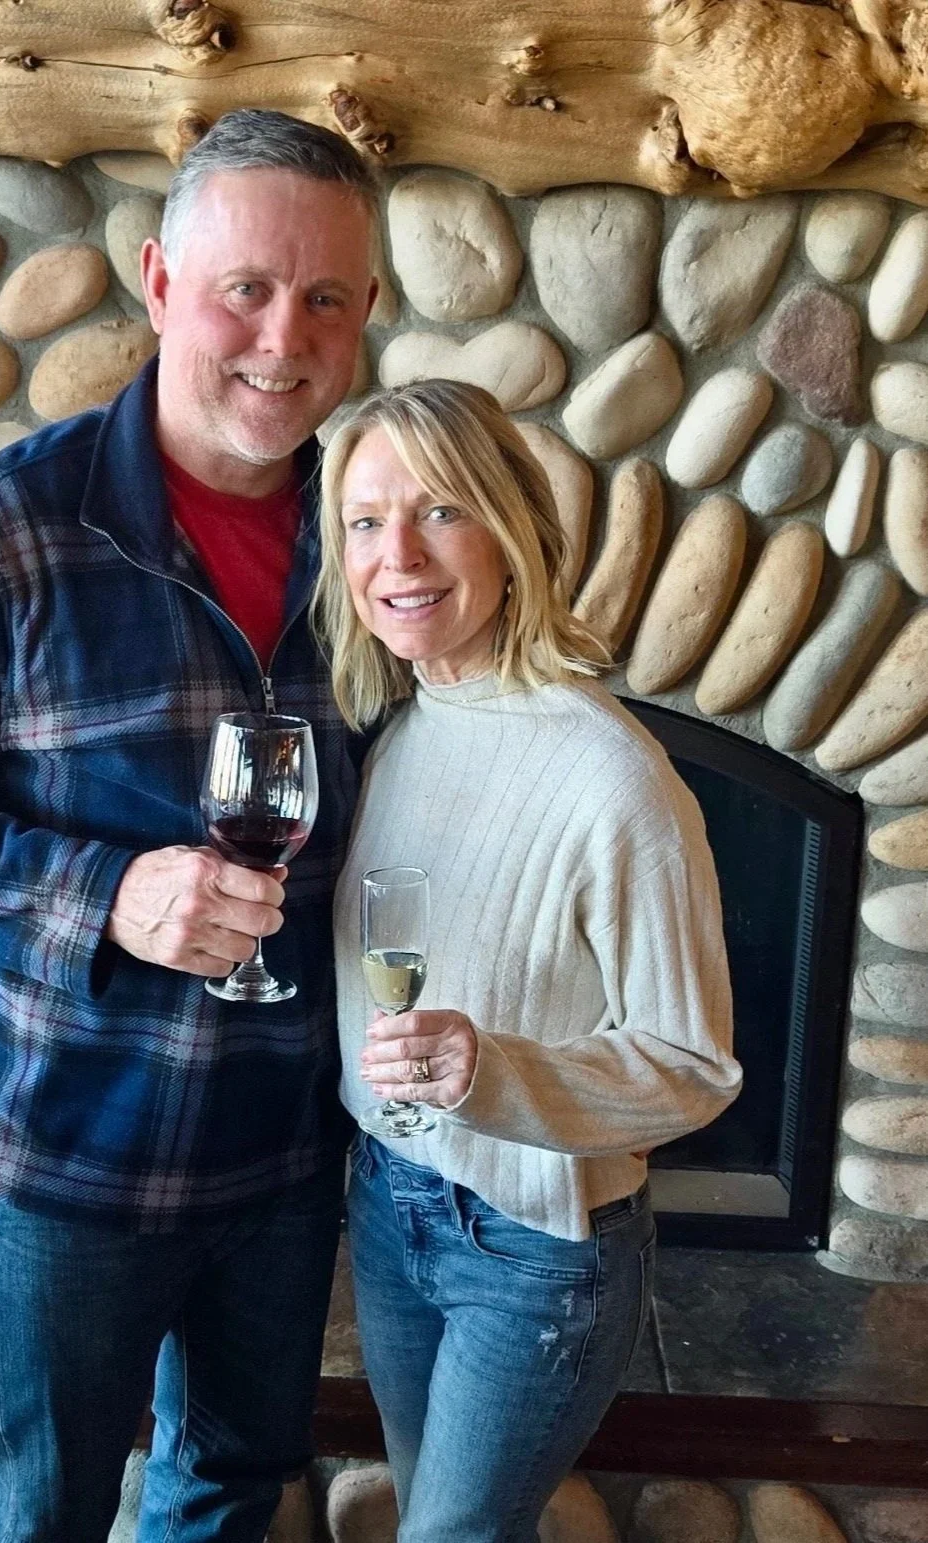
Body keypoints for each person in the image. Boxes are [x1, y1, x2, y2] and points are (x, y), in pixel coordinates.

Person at [0, 109, 378, 1543]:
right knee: (46, 1503)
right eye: (245, 286)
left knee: (231, 1483)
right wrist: (104, 895)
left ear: (365, 316)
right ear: (160, 280)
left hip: (291, 1149)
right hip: (75, 1154)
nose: (280, 336)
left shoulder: (378, 536)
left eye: (324, 299)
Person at [313, 379, 742, 1543]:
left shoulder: (613, 778)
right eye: (362, 521)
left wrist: (492, 1070)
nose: (394, 552)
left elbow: (695, 1065)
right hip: (390, 1200)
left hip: (534, 1246)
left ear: (510, 531)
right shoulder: (392, 731)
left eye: (439, 509)